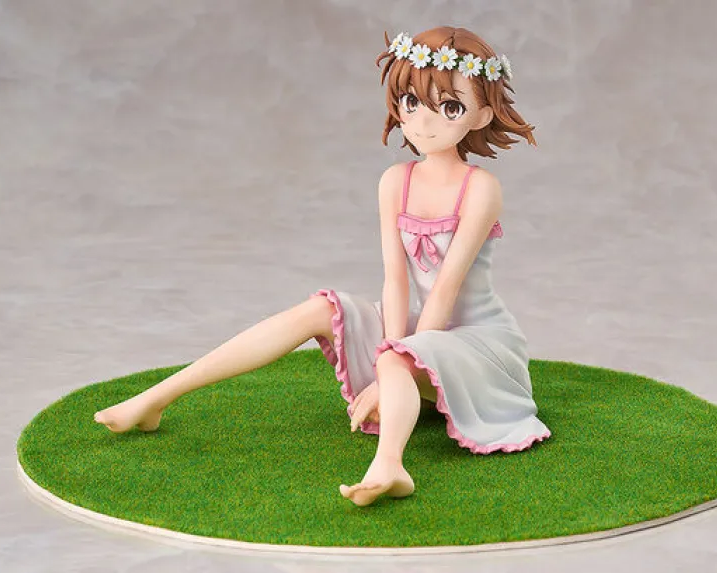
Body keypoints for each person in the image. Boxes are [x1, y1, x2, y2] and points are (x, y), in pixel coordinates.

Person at [95, 26, 551, 507]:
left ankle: (390, 466)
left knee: (395, 357)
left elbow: (444, 291)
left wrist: (392, 363)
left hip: (480, 347)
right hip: (418, 331)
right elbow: (395, 279)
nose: (424, 122)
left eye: (450, 108)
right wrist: (391, 352)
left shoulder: (480, 189)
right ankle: (157, 399)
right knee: (320, 310)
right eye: (411, 102)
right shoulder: (395, 181)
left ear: (481, 115)